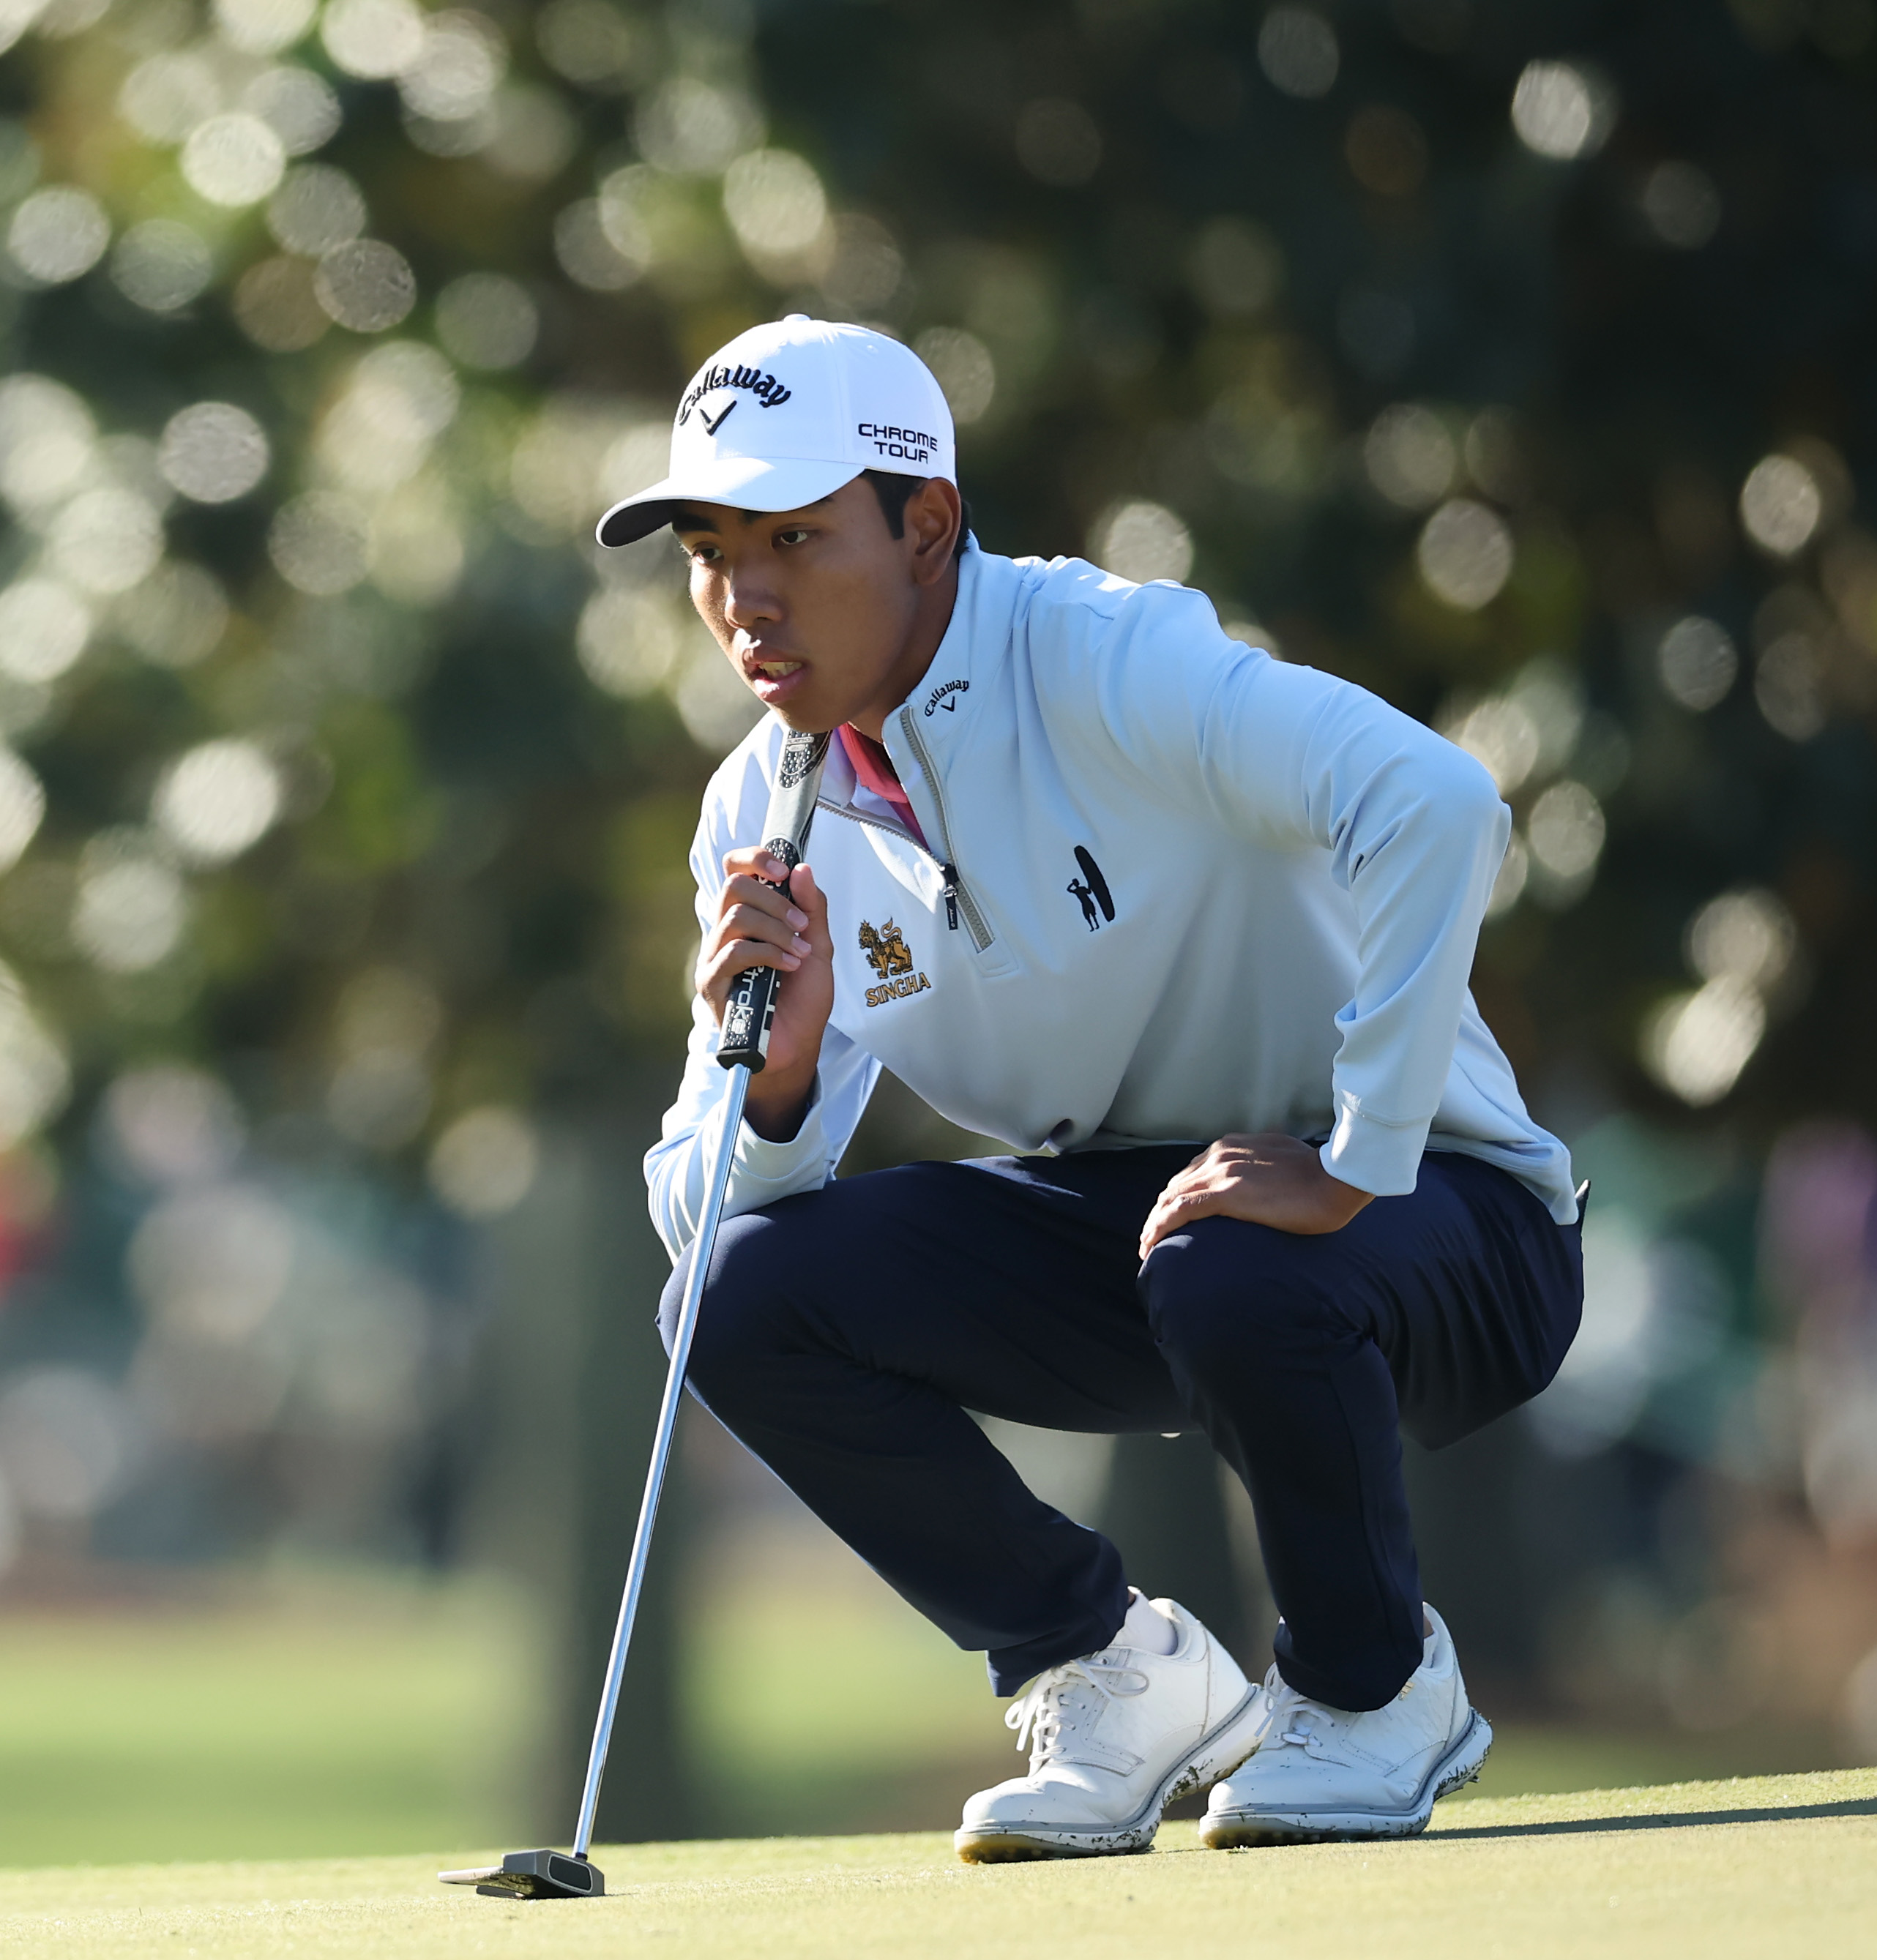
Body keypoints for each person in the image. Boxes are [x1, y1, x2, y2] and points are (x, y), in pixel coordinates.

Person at [602, 317, 1585, 1860]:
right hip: (1162, 1247)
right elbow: (700, 1209)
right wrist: (780, 1093)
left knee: (1232, 1252)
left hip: (1446, 1223)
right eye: (714, 553)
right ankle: (1107, 1671)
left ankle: (1373, 1691)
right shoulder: (766, 802)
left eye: (796, 536)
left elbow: (1438, 802)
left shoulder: (1105, 657)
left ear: (928, 528)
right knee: (733, 1293)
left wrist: (1353, 1155)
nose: (748, 599)